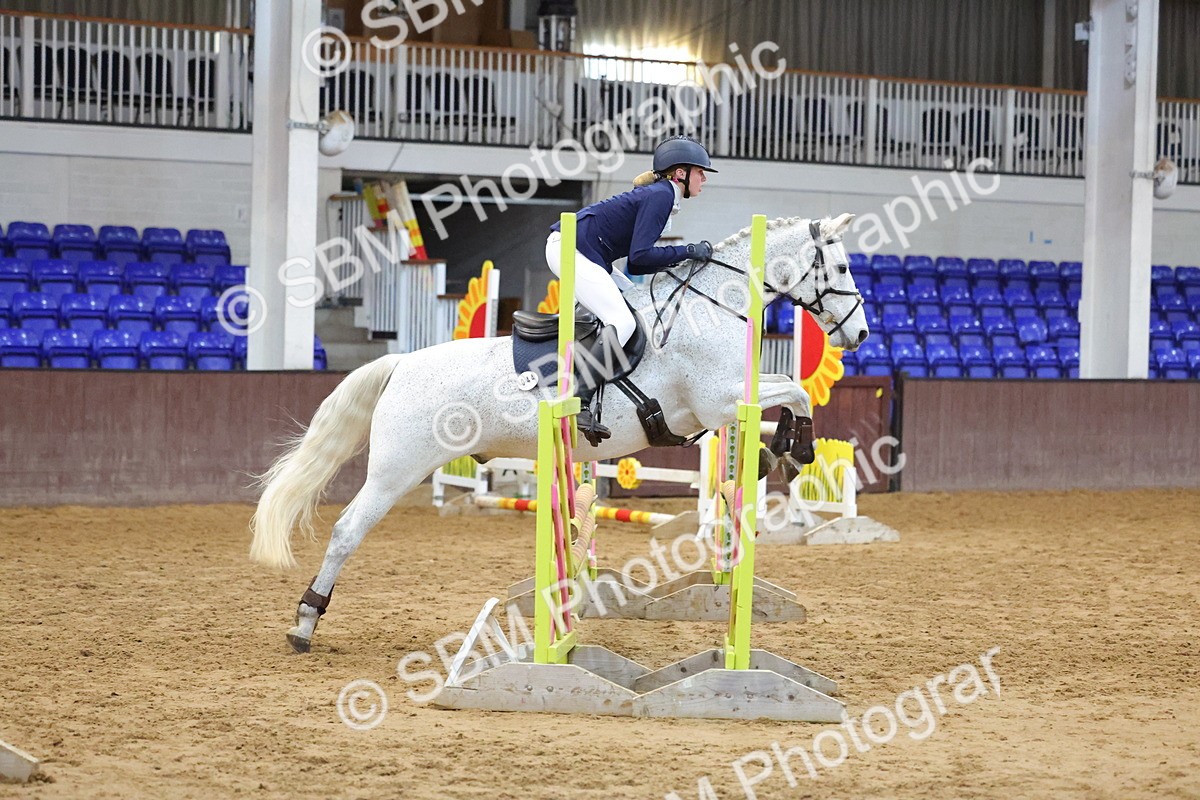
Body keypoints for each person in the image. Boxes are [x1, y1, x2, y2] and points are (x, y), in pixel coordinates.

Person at [545, 135, 718, 442]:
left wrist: (681, 259)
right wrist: (688, 250)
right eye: (699, 171)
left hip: (589, 253)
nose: (704, 177)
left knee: (636, 304)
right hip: (572, 249)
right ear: (680, 173)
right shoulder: (662, 195)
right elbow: (640, 257)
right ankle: (579, 399)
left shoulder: (663, 195)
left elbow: (636, 266)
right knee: (622, 321)